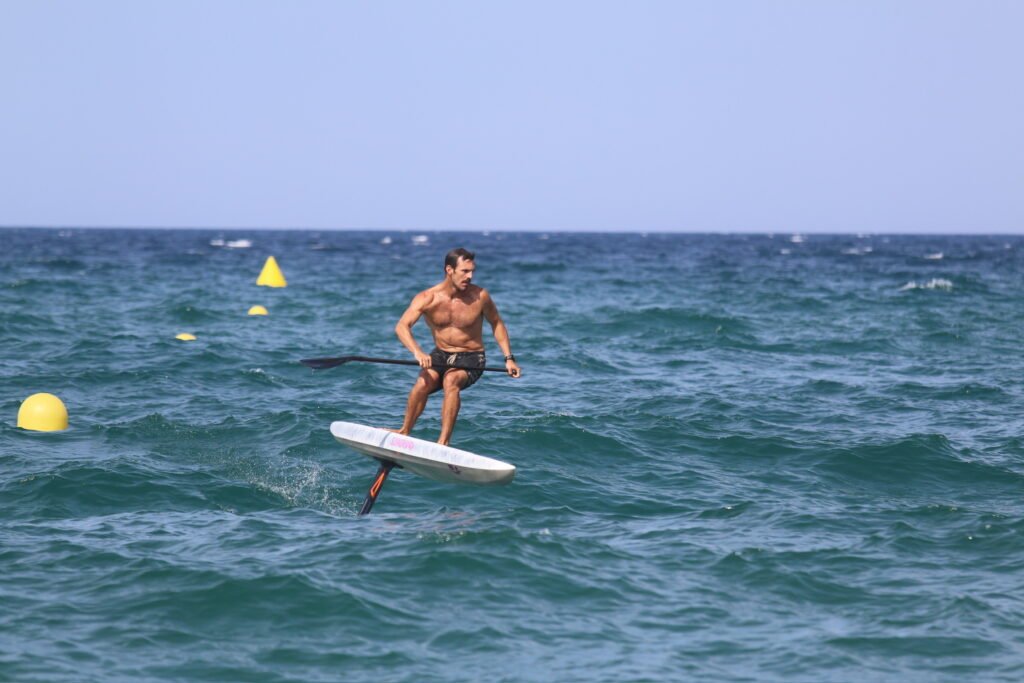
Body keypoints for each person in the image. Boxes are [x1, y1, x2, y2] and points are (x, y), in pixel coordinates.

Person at [393, 247, 521, 445]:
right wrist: (417, 351)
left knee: (451, 381)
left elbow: (497, 323)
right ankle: (404, 431)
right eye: (465, 271)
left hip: (472, 356)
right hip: (441, 354)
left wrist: (509, 358)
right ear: (449, 270)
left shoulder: (480, 296)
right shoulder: (428, 298)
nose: (470, 276)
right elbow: (402, 326)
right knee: (422, 384)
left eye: (472, 271)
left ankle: (442, 443)